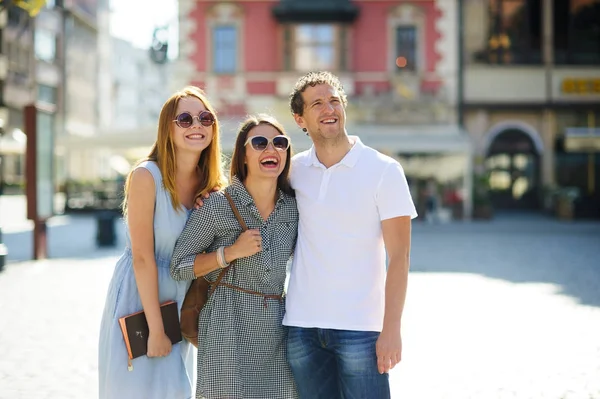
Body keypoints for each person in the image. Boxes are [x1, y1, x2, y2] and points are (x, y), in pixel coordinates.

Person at [283, 71, 418, 398]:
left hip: (361, 329)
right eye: (317, 104)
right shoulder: (293, 171)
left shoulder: (384, 171)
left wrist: (392, 329)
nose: (329, 109)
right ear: (300, 118)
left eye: (334, 101)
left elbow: (399, 257)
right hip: (301, 327)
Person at [98, 86, 227, 399]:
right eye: (185, 119)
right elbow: (142, 257)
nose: (196, 125)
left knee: (176, 390)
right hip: (139, 297)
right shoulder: (146, 176)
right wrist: (155, 328)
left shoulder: (211, 187)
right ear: (167, 128)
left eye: (204, 118)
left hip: (182, 304)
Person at [170, 114, 299, 399]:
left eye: (280, 143)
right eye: (260, 143)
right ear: (243, 155)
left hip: (277, 332)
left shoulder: (295, 207)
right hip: (225, 327)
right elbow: (179, 265)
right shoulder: (217, 205)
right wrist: (228, 253)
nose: (271, 149)